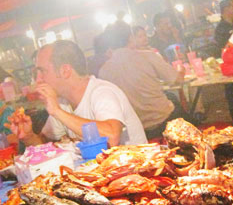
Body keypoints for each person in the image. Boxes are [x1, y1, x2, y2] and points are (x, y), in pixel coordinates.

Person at [8, 40, 146, 147]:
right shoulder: (62, 102)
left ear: (65, 71)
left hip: (137, 177)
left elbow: (111, 137)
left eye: (42, 71)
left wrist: (56, 111)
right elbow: (45, 146)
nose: (38, 79)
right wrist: (28, 136)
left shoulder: (102, 92)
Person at [99, 24, 188, 139]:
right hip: (165, 119)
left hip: (136, 130)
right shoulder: (148, 56)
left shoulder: (104, 71)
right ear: (130, 37)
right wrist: (181, 69)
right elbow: (177, 79)